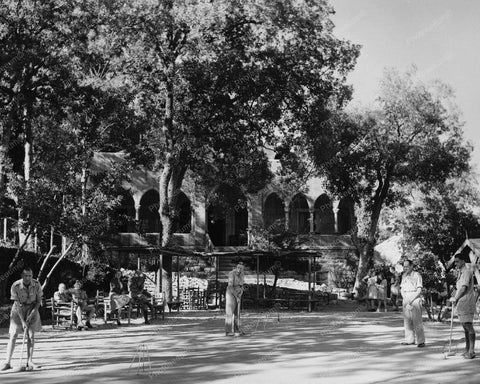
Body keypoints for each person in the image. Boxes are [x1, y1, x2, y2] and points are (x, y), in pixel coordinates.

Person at [1, 267, 42, 371]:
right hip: (18, 310)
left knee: (31, 335)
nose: (28, 278)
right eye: (26, 276)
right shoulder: (15, 286)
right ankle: (7, 362)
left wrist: (32, 313)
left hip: (32, 308)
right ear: (22, 276)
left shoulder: (37, 284)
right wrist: (23, 321)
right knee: (13, 334)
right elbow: (17, 304)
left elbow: (38, 301)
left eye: (30, 276)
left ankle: (29, 361)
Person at [449, 252, 477, 359]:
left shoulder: (466, 272)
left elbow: (464, 288)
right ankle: (467, 349)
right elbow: (458, 288)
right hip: (461, 302)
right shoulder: (460, 272)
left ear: (463, 261)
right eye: (455, 262)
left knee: (468, 326)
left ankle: (471, 351)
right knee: (465, 327)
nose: (455, 264)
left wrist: (456, 298)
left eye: (457, 261)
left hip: (467, 302)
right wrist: (453, 297)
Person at [400, 259, 425, 347]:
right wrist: (405, 298)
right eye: (404, 266)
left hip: (415, 297)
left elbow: (419, 289)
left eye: (407, 266)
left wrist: (411, 299)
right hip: (406, 297)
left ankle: (420, 341)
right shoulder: (403, 275)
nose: (405, 268)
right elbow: (402, 288)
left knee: (417, 320)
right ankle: (409, 339)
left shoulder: (417, 275)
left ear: (411, 266)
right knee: (407, 320)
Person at [225, 262, 245, 336]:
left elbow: (242, 285)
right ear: (236, 268)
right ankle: (228, 331)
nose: (239, 270)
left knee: (237, 313)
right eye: (238, 268)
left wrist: (240, 294)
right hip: (231, 293)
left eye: (241, 268)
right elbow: (230, 286)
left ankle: (237, 330)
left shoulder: (242, 274)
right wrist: (236, 297)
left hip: (238, 293)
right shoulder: (231, 274)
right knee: (230, 311)